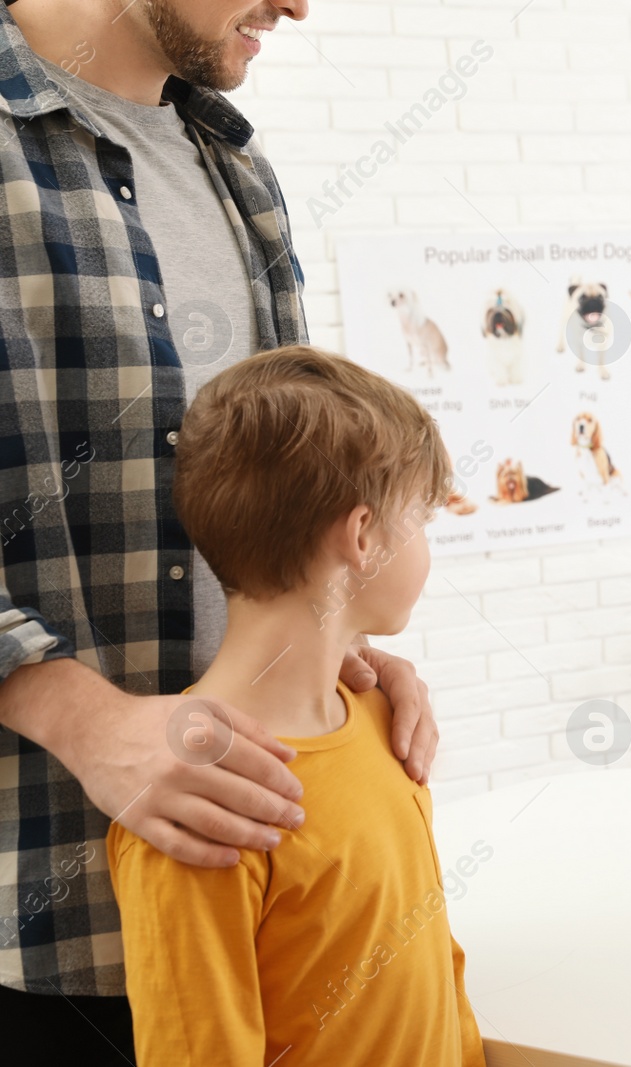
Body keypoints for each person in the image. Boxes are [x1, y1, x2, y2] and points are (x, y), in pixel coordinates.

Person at [0, 2, 439, 1057]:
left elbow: (286, 488)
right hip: (46, 923)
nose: (297, 4)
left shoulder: (236, 173)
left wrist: (342, 645)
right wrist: (82, 717)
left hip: (271, 889)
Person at [108, 344, 485, 1065]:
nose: (429, 543)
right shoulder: (195, 803)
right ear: (364, 534)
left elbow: (434, 962)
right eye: (422, 518)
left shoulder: (383, 723)